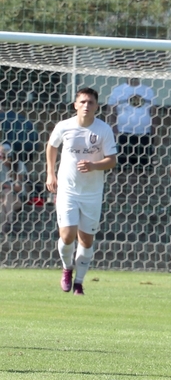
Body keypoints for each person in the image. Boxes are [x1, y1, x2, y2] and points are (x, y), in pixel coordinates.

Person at [46, 87, 117, 295]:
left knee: (86, 240)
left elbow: (112, 160)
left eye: (90, 103)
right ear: (75, 105)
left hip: (92, 193)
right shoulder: (64, 126)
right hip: (68, 191)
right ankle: (67, 268)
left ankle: (79, 281)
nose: (86, 106)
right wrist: (51, 173)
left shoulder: (103, 130)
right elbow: (52, 146)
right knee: (67, 235)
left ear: (96, 106)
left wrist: (94, 166)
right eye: (83, 102)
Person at [107, 77, 156, 169]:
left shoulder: (148, 90)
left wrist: (154, 135)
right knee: (122, 168)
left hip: (144, 134)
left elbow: (154, 113)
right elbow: (110, 112)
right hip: (123, 133)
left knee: (143, 168)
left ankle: (141, 183)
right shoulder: (118, 90)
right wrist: (114, 131)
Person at [0, 146, 29, 232]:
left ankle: (10, 221)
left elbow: (19, 188)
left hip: (17, 199)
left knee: (7, 192)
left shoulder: (19, 165)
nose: (2, 159)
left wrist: (7, 186)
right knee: (1, 207)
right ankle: (3, 231)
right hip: (2, 198)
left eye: (2, 156)